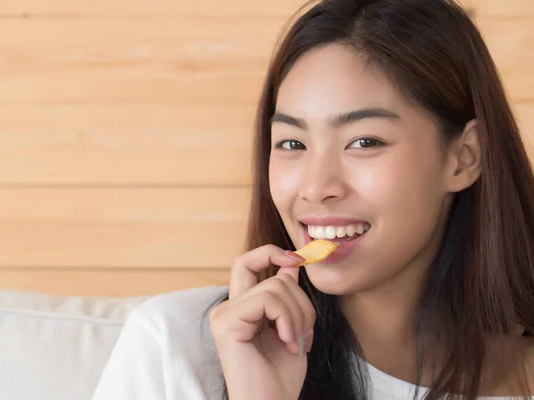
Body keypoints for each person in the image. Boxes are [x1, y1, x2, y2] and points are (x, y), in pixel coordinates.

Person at [91, 0, 534, 398]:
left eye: (363, 142)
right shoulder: (178, 347)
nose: (316, 186)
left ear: (463, 157)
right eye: (292, 144)